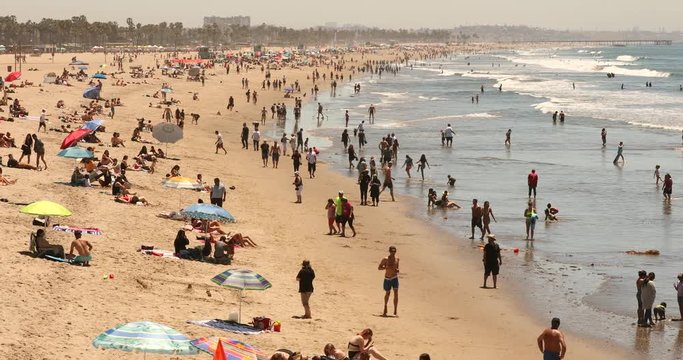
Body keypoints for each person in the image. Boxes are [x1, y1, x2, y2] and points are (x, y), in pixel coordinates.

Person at [378, 246, 399, 316]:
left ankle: (395, 310)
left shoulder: (397, 259)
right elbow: (379, 268)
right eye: (392, 251)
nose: (393, 253)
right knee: (388, 293)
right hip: (387, 278)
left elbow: (397, 268)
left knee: (396, 293)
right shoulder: (385, 259)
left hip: (394, 278)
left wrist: (397, 270)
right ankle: (385, 306)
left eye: (394, 251)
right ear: (389, 251)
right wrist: (385, 268)